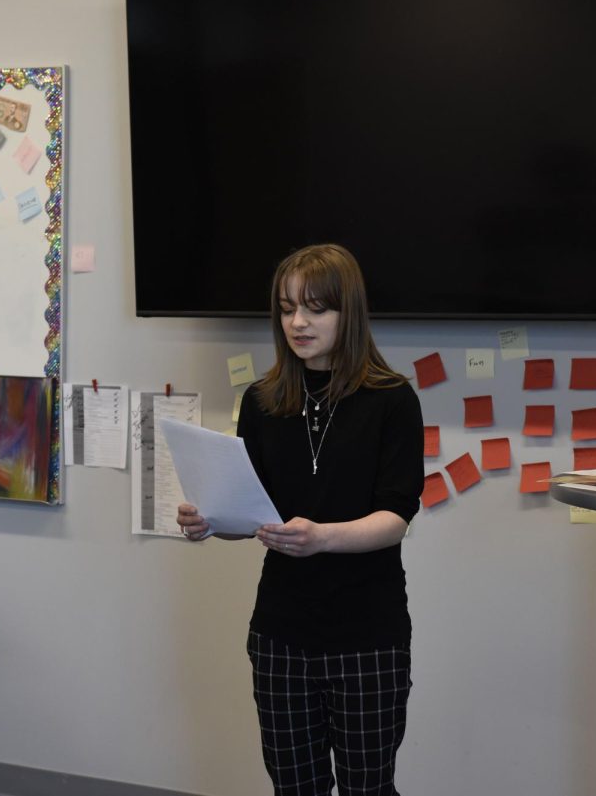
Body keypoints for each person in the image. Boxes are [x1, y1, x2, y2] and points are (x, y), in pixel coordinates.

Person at [177, 243, 424, 796]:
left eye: (315, 308)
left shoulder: (392, 400)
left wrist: (323, 538)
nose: (298, 322)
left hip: (369, 634)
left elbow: (395, 518)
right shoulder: (262, 401)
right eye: (287, 309)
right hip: (280, 633)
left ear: (348, 312)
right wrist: (213, 520)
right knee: (294, 787)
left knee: (368, 787)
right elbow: (253, 512)